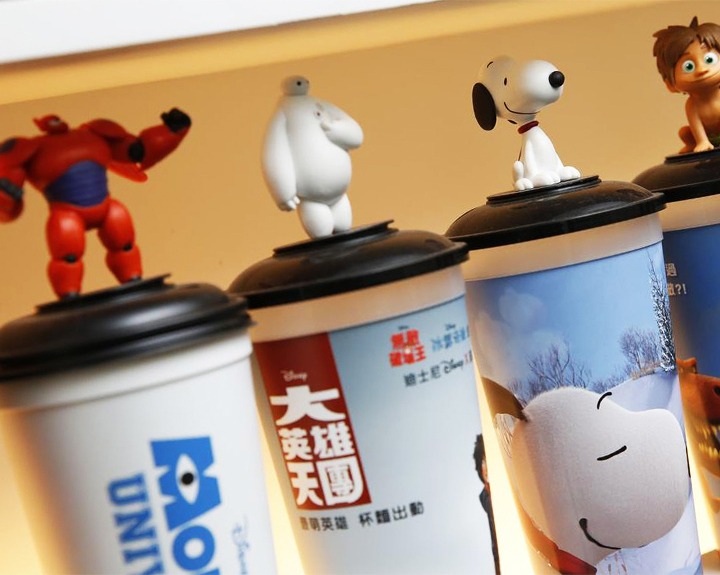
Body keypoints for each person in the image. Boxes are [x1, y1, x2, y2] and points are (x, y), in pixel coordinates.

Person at [653, 17, 720, 153]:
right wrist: (702, 141)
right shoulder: (692, 105)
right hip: (707, 139)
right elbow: (696, 124)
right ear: (670, 84)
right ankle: (692, 145)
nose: (701, 70)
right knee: (684, 133)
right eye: (688, 66)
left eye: (709, 59)